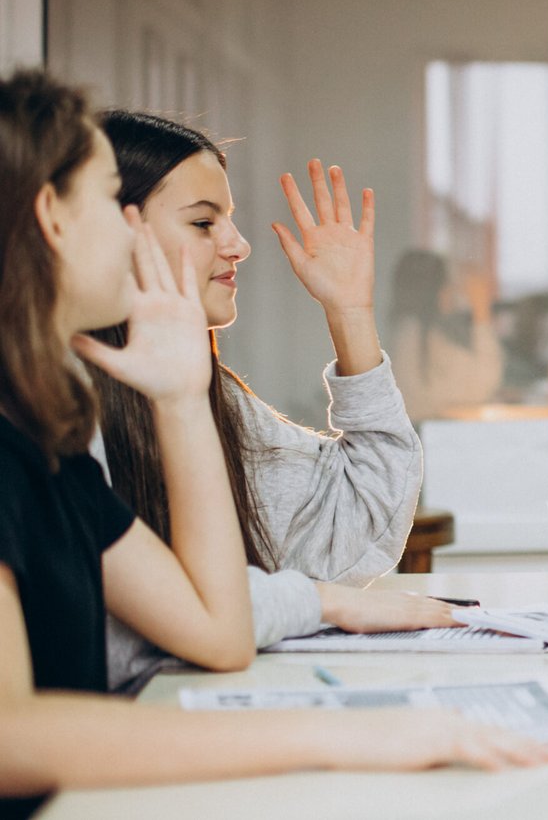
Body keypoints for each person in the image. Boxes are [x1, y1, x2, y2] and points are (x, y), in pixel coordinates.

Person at [0, 71, 548, 818]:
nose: (236, 244)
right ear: (50, 218)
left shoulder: (49, 444)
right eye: (109, 202)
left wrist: (183, 398)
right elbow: (12, 734)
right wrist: (336, 734)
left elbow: (218, 632)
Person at [89, 111, 452, 693]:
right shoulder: (58, 410)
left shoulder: (212, 396)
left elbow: (360, 521)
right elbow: (180, 611)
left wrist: (350, 313)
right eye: (204, 222)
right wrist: (318, 602)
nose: (239, 244)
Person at [388, 249, 504, 421]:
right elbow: (483, 383)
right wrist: (481, 314)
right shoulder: (414, 337)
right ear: (436, 290)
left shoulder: (412, 332)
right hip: (427, 437)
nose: (453, 291)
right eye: (448, 284)